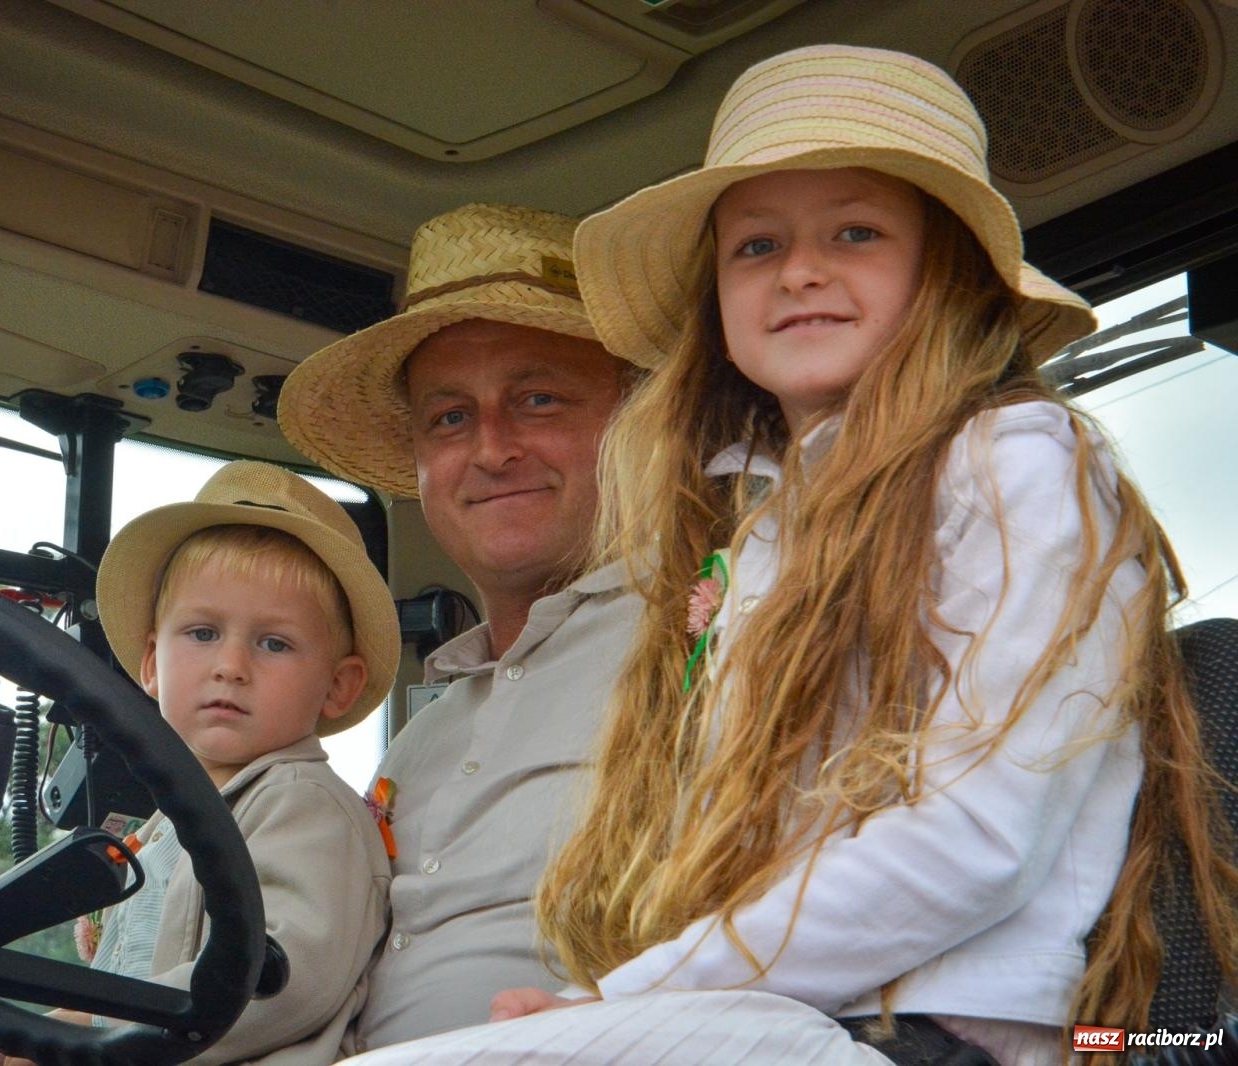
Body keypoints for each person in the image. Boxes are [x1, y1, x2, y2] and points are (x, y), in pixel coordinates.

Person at [345, 45, 1238, 1066]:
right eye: (757, 247)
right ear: (719, 302)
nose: (801, 270)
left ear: (940, 266)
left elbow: (979, 839)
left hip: (939, 1022)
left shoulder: (1016, 465)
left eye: (854, 232)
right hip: (793, 1011)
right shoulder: (765, 532)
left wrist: (636, 993)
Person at [276, 203, 648, 1051]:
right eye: (449, 418)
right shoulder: (418, 743)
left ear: (638, 426)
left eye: (539, 399)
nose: (490, 448)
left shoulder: (709, 641)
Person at [0, 461, 400, 1065]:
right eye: (201, 633)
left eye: (275, 643)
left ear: (338, 686)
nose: (231, 666)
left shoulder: (305, 807)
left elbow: (277, 984)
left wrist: (79, 1051)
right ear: (150, 664)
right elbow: (113, 991)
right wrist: (13, 1047)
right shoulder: (166, 828)